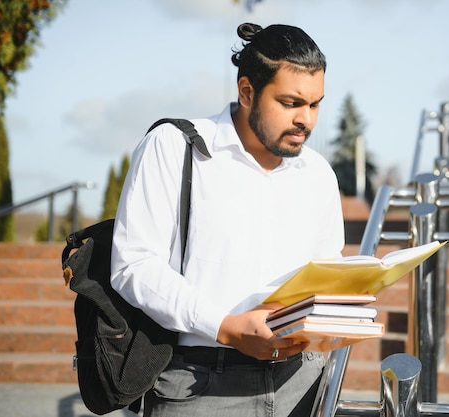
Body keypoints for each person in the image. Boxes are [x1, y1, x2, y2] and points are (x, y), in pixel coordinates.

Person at [110, 22, 345, 417]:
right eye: (291, 103)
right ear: (247, 92)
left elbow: (327, 270)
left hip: (301, 383)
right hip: (198, 385)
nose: (307, 120)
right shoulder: (175, 147)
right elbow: (133, 265)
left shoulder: (318, 172)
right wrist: (225, 327)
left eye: (315, 104)